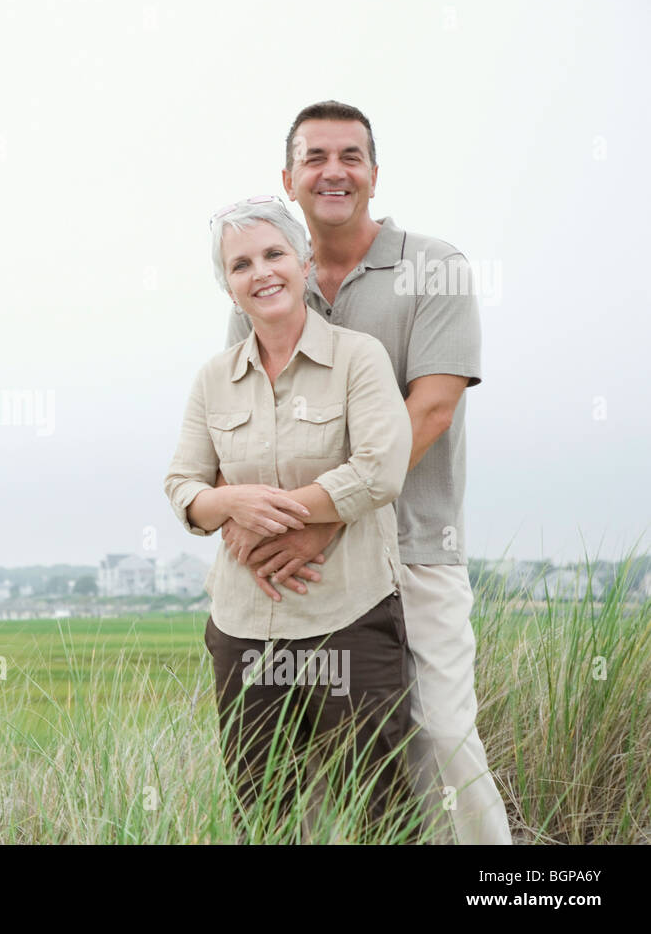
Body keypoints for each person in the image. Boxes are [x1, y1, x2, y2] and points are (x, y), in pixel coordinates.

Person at [220, 101, 512, 845]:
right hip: (306, 569)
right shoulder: (266, 280)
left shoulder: (435, 268)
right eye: (315, 157)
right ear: (288, 178)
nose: (333, 171)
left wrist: (322, 519)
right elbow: (241, 409)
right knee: (323, 762)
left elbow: (433, 409)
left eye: (350, 156)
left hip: (414, 547)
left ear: (374, 175)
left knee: (443, 736)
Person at [164, 196, 413, 831]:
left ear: (303, 260)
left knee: (379, 812)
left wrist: (275, 514)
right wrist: (227, 503)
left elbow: (380, 468)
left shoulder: (360, 357)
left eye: (274, 254)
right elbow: (182, 484)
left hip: (349, 618)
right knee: (264, 815)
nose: (261, 272)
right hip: (244, 628)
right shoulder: (213, 378)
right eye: (241, 264)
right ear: (228, 286)